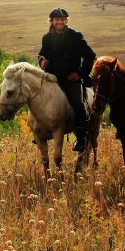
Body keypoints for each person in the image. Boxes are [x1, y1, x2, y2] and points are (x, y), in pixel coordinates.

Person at [38, 8, 96, 152]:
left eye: (63, 19)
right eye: (57, 19)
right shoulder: (46, 38)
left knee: (78, 103)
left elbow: (90, 55)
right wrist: (42, 61)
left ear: (66, 20)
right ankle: (40, 131)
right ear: (51, 21)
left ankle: (82, 137)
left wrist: (80, 74)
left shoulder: (75, 36)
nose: (60, 22)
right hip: (52, 78)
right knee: (37, 99)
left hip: (71, 78)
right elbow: (42, 54)